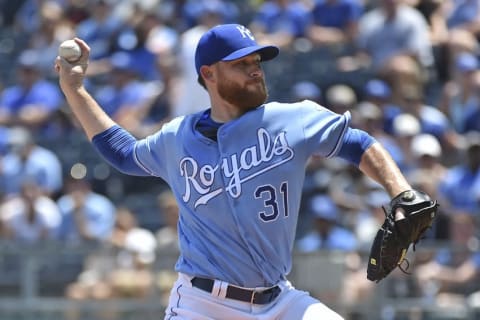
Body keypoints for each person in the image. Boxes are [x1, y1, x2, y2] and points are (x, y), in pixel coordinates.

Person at [56, 23, 426, 320]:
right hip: (201, 305)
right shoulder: (176, 137)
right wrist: (75, 91)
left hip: (279, 301)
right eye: (241, 63)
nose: (254, 69)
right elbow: (123, 154)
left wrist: (401, 192)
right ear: (209, 74)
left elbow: (357, 143)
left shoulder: (291, 120)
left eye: (257, 62)